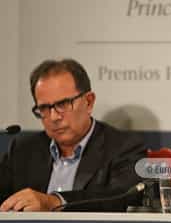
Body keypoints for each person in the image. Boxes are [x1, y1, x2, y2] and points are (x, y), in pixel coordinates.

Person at [0, 59, 146, 211]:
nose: (54, 117)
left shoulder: (123, 147)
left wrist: (55, 201)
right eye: (44, 108)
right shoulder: (23, 150)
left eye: (63, 104)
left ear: (88, 102)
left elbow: (122, 196)